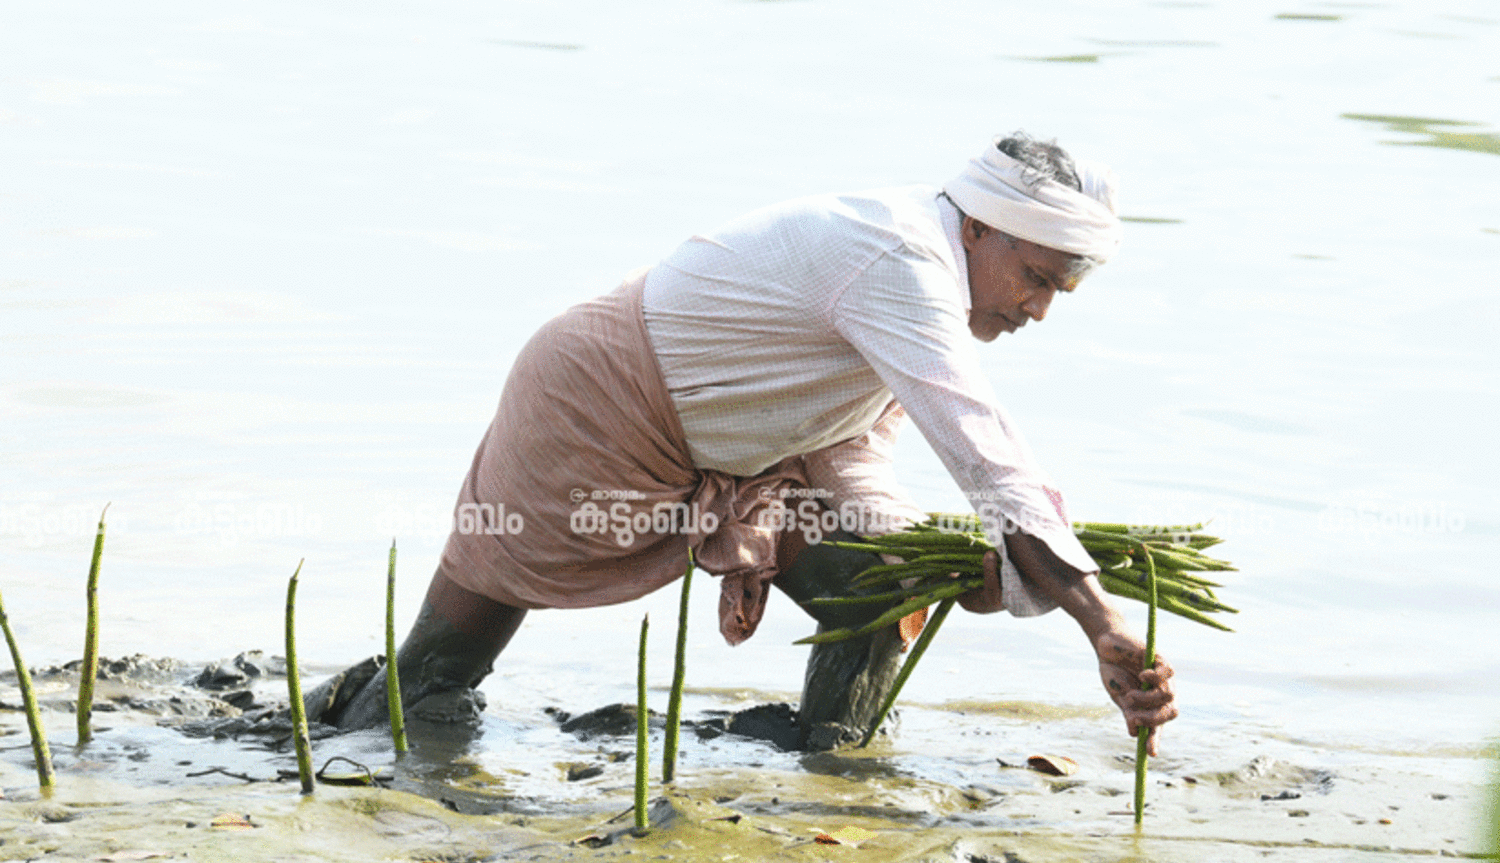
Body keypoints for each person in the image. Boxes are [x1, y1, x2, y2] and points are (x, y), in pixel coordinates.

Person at [311, 131, 1178, 755]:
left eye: (1058, 292)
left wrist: (951, 565)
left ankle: (836, 776)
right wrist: (1100, 620)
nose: (1037, 310)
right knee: (441, 668)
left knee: (879, 592)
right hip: (593, 405)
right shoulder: (900, 262)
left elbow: (850, 455)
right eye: (1034, 278)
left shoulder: (928, 295)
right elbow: (991, 459)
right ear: (980, 229)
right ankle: (340, 744)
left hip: (739, 454)